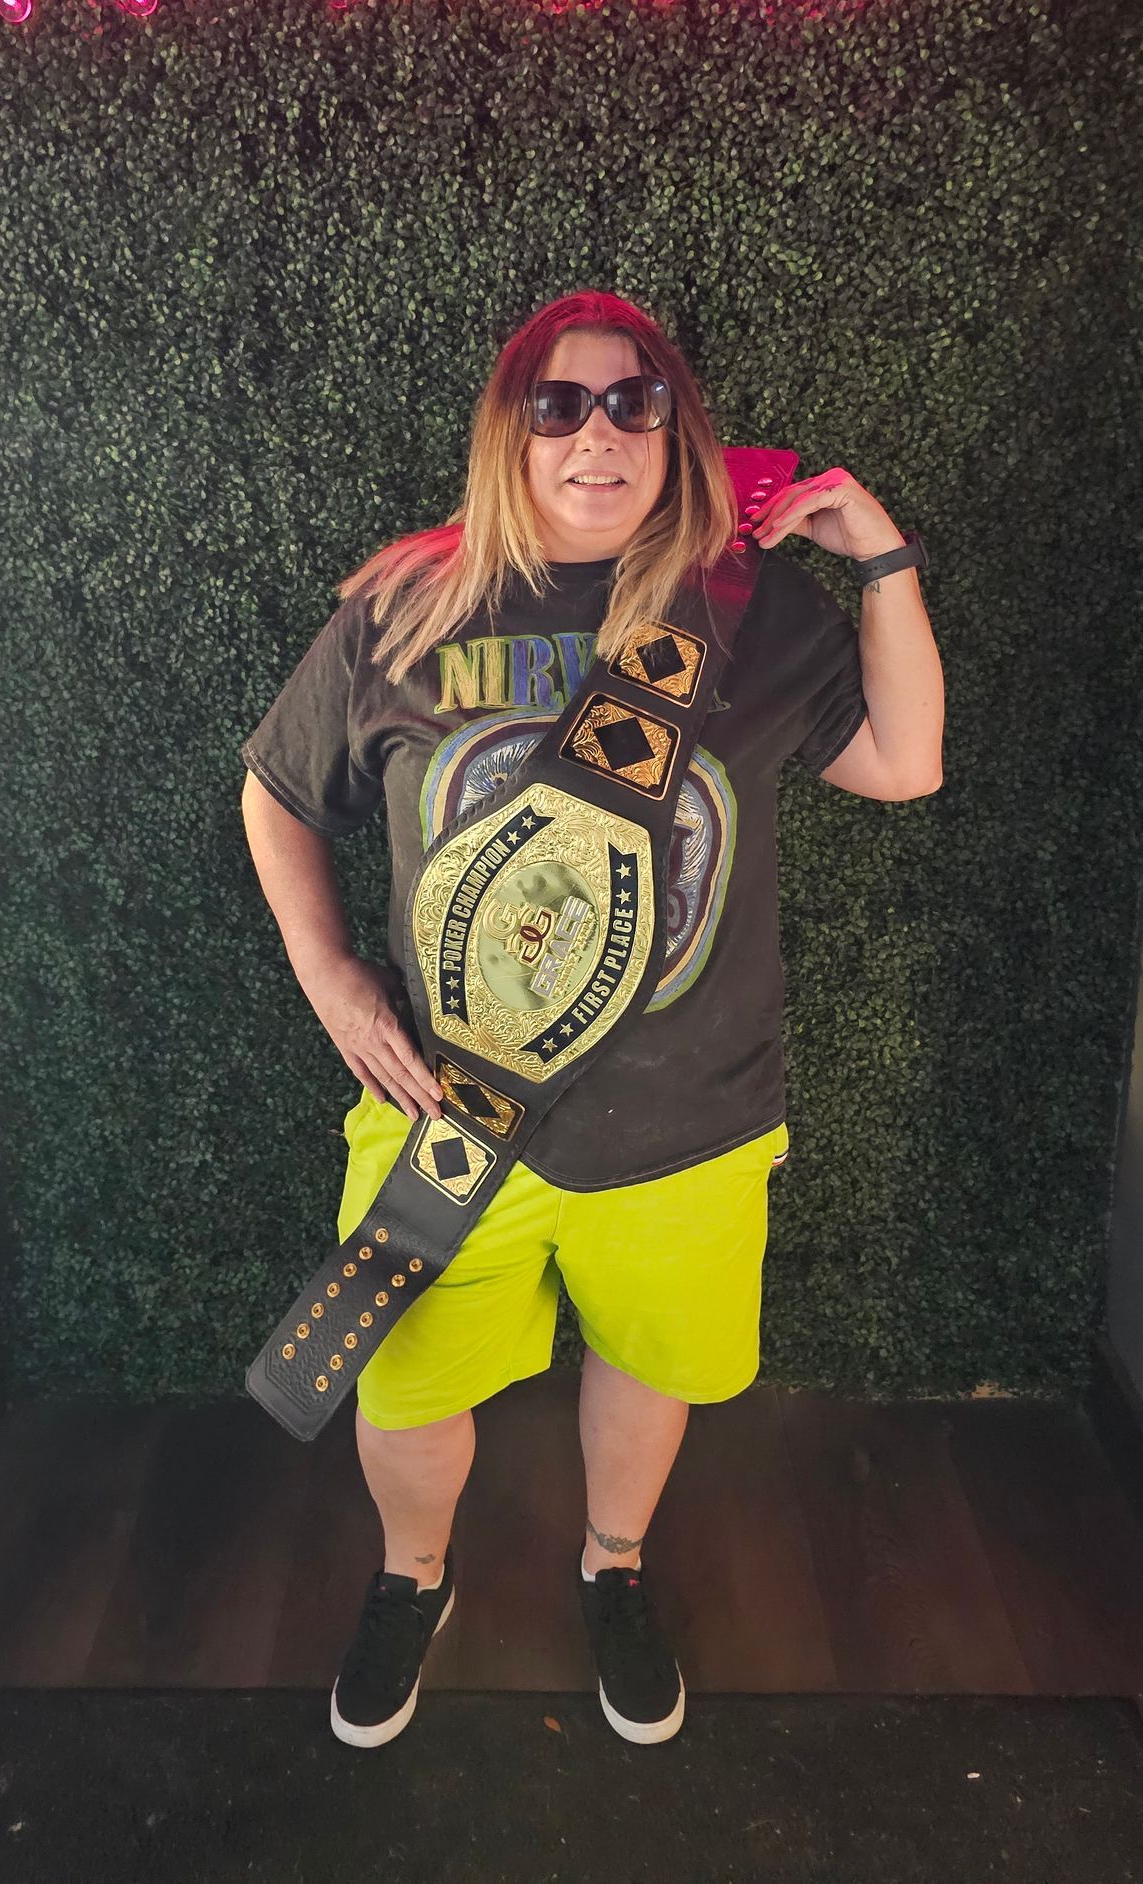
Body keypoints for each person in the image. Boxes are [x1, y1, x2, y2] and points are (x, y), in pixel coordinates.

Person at [240, 290, 944, 1749]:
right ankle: (410, 1579)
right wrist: (330, 980)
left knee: (644, 1372)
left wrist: (878, 556)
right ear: (510, 431)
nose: (599, 433)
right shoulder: (407, 605)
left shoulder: (738, 613)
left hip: (694, 1117)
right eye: (559, 405)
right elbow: (278, 789)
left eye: (635, 404)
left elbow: (906, 763)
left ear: (678, 430)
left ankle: (613, 1566)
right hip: (451, 1117)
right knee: (410, 1385)